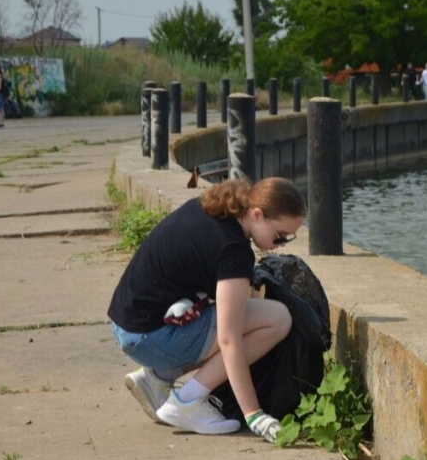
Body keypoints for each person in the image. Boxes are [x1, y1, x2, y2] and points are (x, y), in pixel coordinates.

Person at [108, 177, 306, 442]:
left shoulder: (212, 208)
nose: (281, 245)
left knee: (243, 320)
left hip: (130, 327)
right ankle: (187, 402)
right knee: (277, 319)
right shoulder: (234, 252)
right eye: (280, 236)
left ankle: (158, 377)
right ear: (257, 214)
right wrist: (254, 414)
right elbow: (228, 339)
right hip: (149, 337)